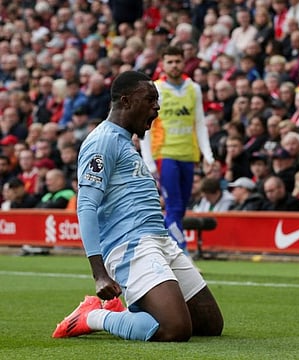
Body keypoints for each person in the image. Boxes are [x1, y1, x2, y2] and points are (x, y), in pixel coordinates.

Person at [52, 71, 223, 341]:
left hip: (160, 241)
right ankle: (93, 316)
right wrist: (99, 273)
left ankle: (130, 309)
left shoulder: (125, 142)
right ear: (126, 101)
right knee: (175, 329)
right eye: (151, 99)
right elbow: (85, 207)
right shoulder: (103, 140)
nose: (157, 107)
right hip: (131, 246)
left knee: (210, 324)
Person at [140, 46, 214, 257]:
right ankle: (182, 254)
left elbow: (199, 123)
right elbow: (147, 125)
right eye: (170, 61)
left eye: (177, 61)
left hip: (188, 155)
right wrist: (149, 161)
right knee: (173, 206)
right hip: (165, 154)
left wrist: (207, 155)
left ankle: (159, 246)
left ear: (184, 62)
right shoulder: (157, 89)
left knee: (180, 209)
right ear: (163, 64)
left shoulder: (194, 89)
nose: (174, 65)